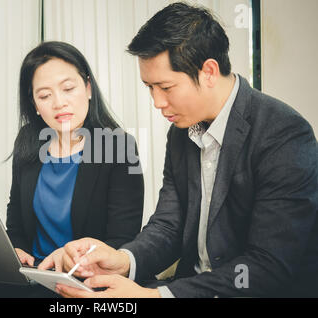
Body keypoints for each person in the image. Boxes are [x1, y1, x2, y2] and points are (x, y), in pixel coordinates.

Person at [42, 2, 318, 298]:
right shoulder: (181, 133)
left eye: (165, 87)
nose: (157, 102)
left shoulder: (283, 133)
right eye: (149, 87)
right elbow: (168, 226)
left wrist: (155, 296)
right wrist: (122, 260)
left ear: (209, 72)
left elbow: (267, 267)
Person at [0, 41, 144, 297]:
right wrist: (13, 250)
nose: (59, 103)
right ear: (35, 105)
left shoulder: (118, 146)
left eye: (68, 88)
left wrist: (72, 255)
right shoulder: (29, 140)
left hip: (80, 279)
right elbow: (15, 223)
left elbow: (122, 240)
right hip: (33, 274)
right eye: (45, 95)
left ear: (88, 89)